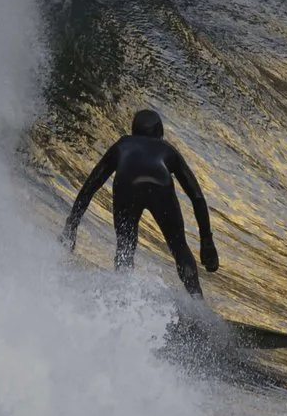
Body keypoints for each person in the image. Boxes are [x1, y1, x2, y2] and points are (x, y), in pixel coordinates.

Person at [62, 107, 219, 295]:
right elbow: (197, 196)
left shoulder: (122, 145)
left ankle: (123, 296)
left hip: (127, 185)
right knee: (179, 247)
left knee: (125, 247)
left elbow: (91, 185)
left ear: (133, 131)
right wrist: (206, 240)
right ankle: (197, 301)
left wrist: (73, 222)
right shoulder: (167, 150)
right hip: (160, 185)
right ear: (160, 131)